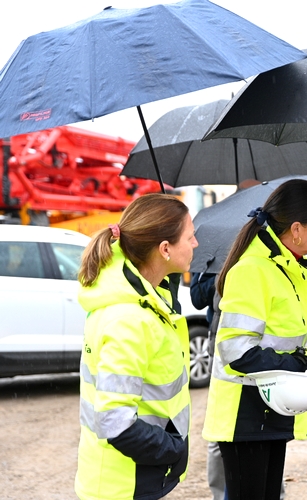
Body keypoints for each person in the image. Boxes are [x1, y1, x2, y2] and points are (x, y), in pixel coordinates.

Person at [202, 179, 307, 500]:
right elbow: (236, 351)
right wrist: (302, 364)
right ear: (297, 229)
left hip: (271, 408)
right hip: (245, 415)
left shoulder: (292, 269)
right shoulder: (254, 270)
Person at [75, 193, 198, 500]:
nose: (195, 244)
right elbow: (115, 422)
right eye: (190, 237)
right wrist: (173, 449)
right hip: (124, 483)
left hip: (128, 477)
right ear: (165, 249)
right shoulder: (129, 319)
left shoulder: (142, 302)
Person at [189, 270, 225, 500]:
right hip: (220, 342)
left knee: (268, 430)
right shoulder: (212, 255)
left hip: (263, 342)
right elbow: (197, 297)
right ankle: (221, 495)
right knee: (220, 427)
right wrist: (223, 274)